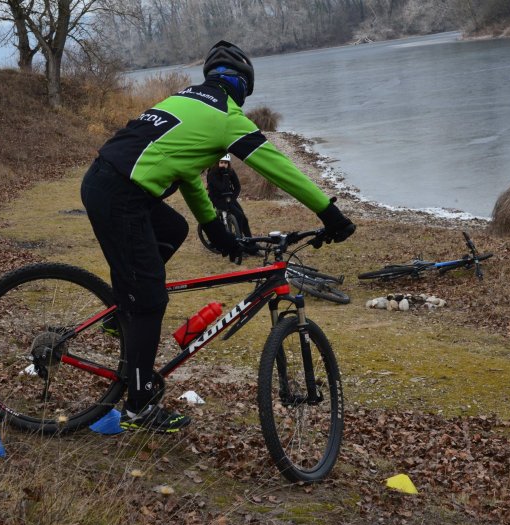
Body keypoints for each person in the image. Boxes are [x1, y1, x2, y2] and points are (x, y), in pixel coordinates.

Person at [80, 40, 356, 433]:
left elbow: (185, 170)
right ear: (242, 87)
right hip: (121, 194)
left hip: (109, 183)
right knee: (151, 299)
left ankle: (126, 310)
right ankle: (138, 405)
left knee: (172, 230)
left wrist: (215, 229)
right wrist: (330, 214)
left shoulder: (181, 101)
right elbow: (279, 168)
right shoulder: (226, 117)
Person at [206, 154, 252, 237]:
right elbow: (222, 188)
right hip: (217, 198)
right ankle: (239, 238)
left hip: (228, 198)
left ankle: (250, 240)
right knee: (239, 216)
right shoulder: (212, 174)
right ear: (217, 163)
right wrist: (225, 175)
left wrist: (232, 198)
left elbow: (237, 187)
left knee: (244, 219)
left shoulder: (230, 171)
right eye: (222, 162)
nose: (224, 165)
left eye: (226, 163)